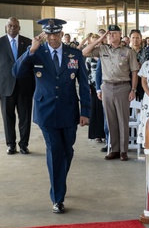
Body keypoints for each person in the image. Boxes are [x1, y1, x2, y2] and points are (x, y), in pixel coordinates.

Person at [13, 18, 91, 213]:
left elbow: (83, 84)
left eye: (56, 34)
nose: (53, 38)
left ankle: (60, 184)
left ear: (61, 34)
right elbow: (16, 72)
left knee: (68, 150)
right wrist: (30, 50)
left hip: (69, 110)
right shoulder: (36, 53)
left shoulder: (74, 54)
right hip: (46, 111)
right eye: (49, 34)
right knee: (55, 151)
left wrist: (86, 112)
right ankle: (57, 198)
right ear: (44, 35)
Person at [82, 24, 139, 161]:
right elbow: (84, 52)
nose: (111, 36)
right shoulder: (102, 49)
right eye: (109, 34)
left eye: (114, 33)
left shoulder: (128, 51)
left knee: (122, 120)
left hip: (123, 87)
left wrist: (133, 89)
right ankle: (114, 149)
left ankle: (123, 151)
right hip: (107, 86)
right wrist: (99, 39)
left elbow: (134, 72)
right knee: (110, 119)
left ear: (120, 35)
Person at [0, 17, 35, 154]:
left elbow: (32, 66)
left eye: (15, 26)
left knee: (25, 117)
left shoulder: (28, 42)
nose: (12, 28)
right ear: (6, 27)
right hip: (5, 87)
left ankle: (23, 144)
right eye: (10, 25)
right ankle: (11, 144)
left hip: (25, 87)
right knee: (8, 117)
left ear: (19, 28)